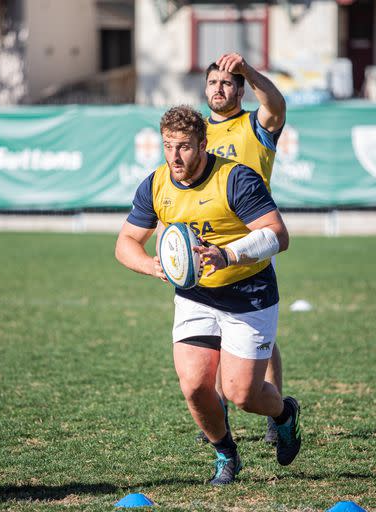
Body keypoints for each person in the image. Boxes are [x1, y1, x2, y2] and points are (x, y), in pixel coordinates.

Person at [115, 105, 302, 484]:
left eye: (183, 146)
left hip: (248, 294)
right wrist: (153, 266)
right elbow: (126, 243)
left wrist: (228, 254)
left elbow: (277, 235)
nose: (174, 156)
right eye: (168, 146)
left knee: (242, 394)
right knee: (195, 386)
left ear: (203, 144)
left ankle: (284, 413)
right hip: (195, 296)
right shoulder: (156, 184)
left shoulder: (236, 179)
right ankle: (226, 454)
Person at [203, 52, 287, 444]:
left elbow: (276, 104)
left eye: (226, 82)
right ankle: (218, 418)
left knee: (258, 337)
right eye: (212, 83)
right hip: (207, 249)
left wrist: (248, 70)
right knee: (213, 335)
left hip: (253, 243)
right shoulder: (198, 134)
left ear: (239, 90)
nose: (218, 88)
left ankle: (276, 414)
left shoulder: (256, 125)